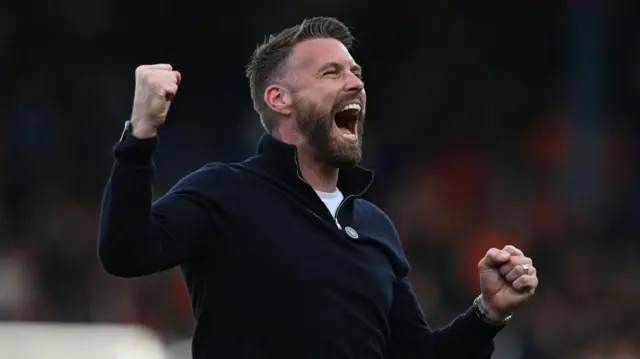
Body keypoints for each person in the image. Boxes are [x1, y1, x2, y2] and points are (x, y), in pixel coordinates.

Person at [98, 17, 538, 359]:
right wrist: (140, 135)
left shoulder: (373, 226)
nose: (356, 82)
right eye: (331, 72)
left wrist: (487, 313)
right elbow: (125, 251)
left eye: (355, 71)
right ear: (279, 99)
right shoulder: (225, 192)